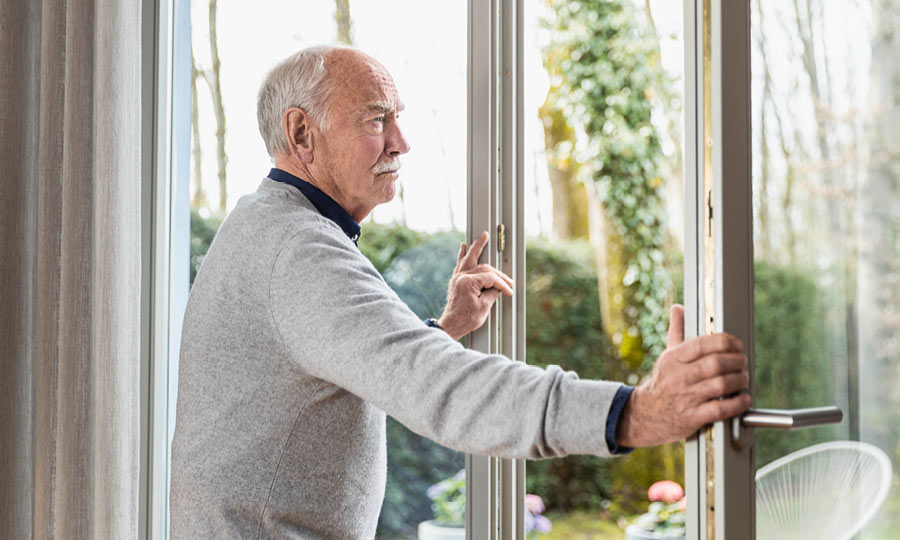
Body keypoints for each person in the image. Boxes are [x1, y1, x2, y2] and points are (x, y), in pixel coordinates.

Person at [170, 45, 751, 539]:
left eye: (396, 117)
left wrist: (442, 329)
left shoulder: (266, 226)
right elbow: (442, 387)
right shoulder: (297, 250)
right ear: (302, 133)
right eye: (376, 120)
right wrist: (635, 413)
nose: (401, 141)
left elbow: (337, 368)